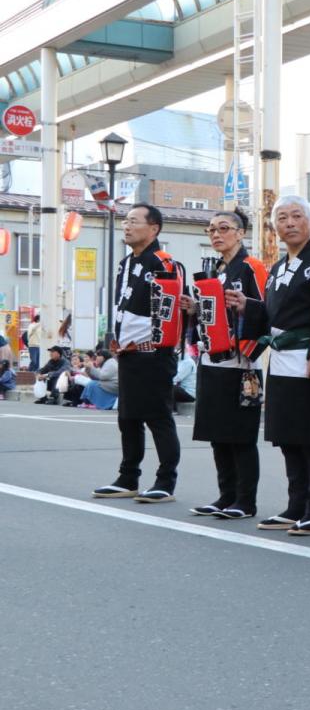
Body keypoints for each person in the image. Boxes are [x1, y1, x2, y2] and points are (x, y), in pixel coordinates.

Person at [228, 195, 310, 537]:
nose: (290, 223)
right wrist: (247, 306)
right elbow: (269, 316)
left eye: (297, 216)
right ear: (274, 226)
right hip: (280, 359)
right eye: (282, 218)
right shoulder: (278, 267)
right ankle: (295, 505)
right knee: (288, 437)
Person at [91, 205, 183, 503]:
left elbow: (172, 315)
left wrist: (162, 347)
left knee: (158, 417)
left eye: (133, 221)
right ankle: (128, 477)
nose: (126, 227)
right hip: (128, 354)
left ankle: (165, 481)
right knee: (127, 418)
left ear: (153, 228)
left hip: (154, 353)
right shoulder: (125, 263)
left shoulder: (165, 263)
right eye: (125, 221)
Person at [185, 208, 269, 520]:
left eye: (223, 228)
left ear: (241, 233)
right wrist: (195, 308)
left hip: (240, 361)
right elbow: (215, 313)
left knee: (240, 435)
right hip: (212, 358)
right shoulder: (217, 269)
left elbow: (268, 309)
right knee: (218, 433)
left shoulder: (252, 266)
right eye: (210, 230)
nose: (216, 234)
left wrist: (247, 330)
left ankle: (245, 501)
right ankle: (225, 496)